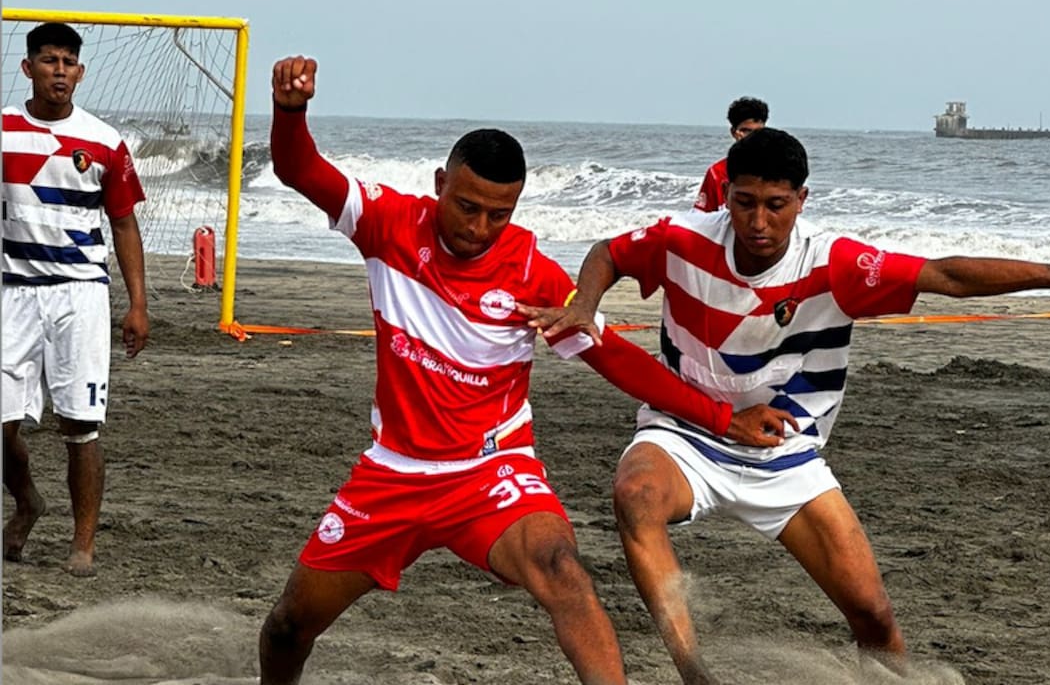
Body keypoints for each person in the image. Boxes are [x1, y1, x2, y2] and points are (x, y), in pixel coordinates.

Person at [522, 127, 1050, 683]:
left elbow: (947, 275)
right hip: (686, 430)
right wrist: (585, 303)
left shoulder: (835, 261)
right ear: (727, 197)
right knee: (635, 494)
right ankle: (695, 673)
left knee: (872, 615)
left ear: (802, 201)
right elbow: (610, 251)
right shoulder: (683, 238)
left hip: (785, 453)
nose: (759, 223)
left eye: (776, 206)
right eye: (745, 203)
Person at [258, 56, 796, 685]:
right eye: (466, 207)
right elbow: (298, 169)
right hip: (395, 473)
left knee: (563, 570)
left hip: (492, 471)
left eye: (499, 214)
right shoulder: (385, 223)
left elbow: (614, 357)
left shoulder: (531, 273)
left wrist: (723, 417)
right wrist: (290, 110)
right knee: (289, 626)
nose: (479, 228)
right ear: (439, 183)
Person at [2, 22, 150, 577]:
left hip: (79, 297)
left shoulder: (105, 142)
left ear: (80, 73)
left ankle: (82, 545)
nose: (58, 70)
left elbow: (124, 223)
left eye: (68, 61)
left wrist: (137, 304)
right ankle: (27, 503)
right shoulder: (3, 131)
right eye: (48, 60)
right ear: (27, 68)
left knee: (80, 425)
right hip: (11, 293)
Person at [693, 96, 768, 212]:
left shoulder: (776, 169)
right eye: (746, 131)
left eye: (758, 132)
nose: (753, 137)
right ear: (734, 132)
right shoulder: (716, 173)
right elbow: (700, 218)